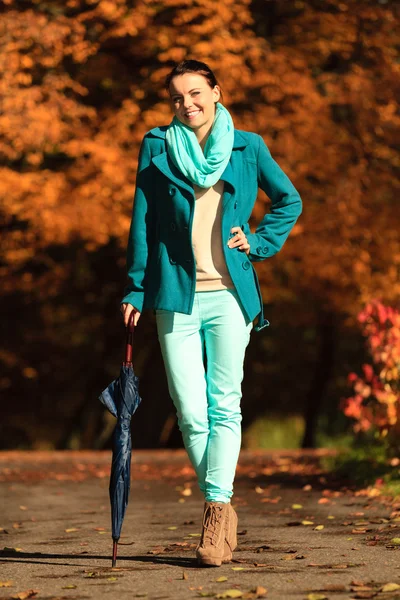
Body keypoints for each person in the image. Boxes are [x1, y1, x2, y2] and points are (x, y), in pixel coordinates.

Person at [120, 59, 302, 567]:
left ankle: (216, 513)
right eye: (177, 97)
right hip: (174, 294)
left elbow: (289, 200)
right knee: (189, 411)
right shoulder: (157, 145)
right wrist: (135, 289)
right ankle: (221, 503)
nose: (187, 105)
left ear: (216, 93)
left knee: (226, 404)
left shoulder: (249, 147)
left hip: (229, 295)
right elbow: (144, 221)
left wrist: (260, 241)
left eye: (196, 93)